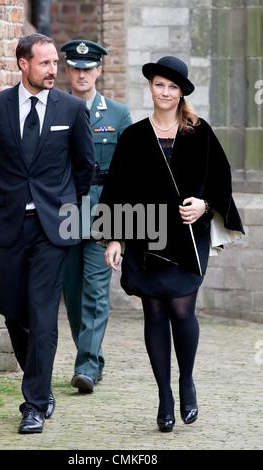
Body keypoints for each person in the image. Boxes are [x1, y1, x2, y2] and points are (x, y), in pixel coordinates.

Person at [99, 56, 244, 432]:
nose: (165, 92)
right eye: (159, 85)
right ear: (151, 87)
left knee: (182, 312)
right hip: (146, 237)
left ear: (181, 93)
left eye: (172, 87)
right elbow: (117, 189)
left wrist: (204, 204)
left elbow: (221, 181)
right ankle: (164, 395)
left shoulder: (199, 132)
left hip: (185, 239)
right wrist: (114, 237)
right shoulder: (133, 136)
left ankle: (186, 381)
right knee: (155, 315)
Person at [0, 33, 95, 434]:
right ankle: (41, 384)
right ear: (23, 64)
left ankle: (33, 403)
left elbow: (84, 167)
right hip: (9, 223)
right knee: (13, 310)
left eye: (54, 64)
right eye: (44, 64)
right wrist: (15, 197)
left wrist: (62, 206)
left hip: (53, 227)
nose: (52, 71)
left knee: (43, 314)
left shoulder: (72, 109)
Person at [60, 39, 132, 393]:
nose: (82, 74)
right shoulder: (55, 109)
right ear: (68, 71)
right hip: (65, 212)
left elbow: (130, 174)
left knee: (96, 292)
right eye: (76, 68)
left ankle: (86, 366)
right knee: (72, 294)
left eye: (88, 69)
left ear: (99, 71)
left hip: (105, 212)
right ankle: (92, 356)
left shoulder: (118, 115)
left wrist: (120, 230)